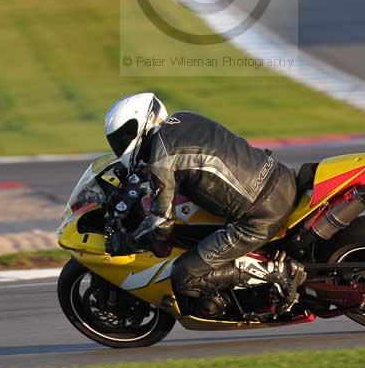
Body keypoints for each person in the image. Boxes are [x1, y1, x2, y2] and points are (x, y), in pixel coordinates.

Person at [104, 93, 297, 304]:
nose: (120, 144)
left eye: (123, 136)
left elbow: (161, 225)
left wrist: (127, 243)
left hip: (260, 215)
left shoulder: (162, 160)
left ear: (140, 125)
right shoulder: (183, 118)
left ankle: (277, 274)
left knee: (185, 275)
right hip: (280, 176)